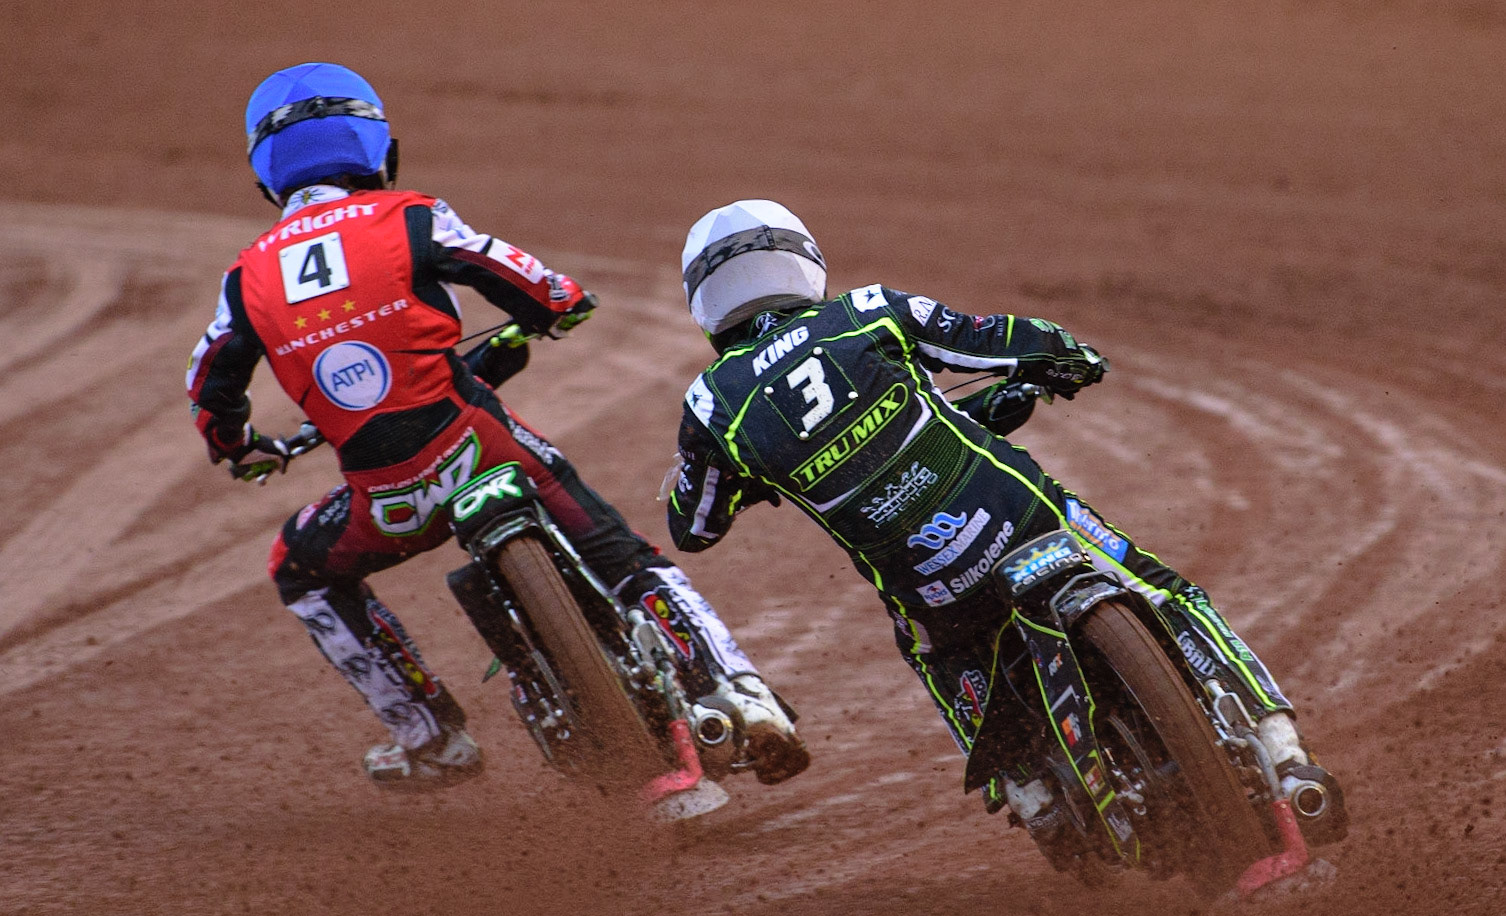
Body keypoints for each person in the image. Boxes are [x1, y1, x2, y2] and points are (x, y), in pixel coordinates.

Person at [185, 64, 808, 791]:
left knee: (298, 567)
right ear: (379, 150)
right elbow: (519, 275)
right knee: (621, 554)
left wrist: (239, 447)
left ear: (267, 178)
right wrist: (560, 306)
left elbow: (210, 379)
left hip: (387, 499)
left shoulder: (248, 276)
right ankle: (740, 688)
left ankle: (425, 732)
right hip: (480, 444)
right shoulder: (410, 216)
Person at [665, 199, 1347, 856]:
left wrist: (751, 475)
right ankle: (1284, 753)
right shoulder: (867, 311)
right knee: (1170, 591)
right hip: (1023, 520)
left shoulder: (713, 404)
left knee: (931, 650)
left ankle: (1029, 792)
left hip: (935, 592)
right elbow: (994, 339)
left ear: (708, 304)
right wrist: (1069, 356)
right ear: (800, 260)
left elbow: (693, 525)